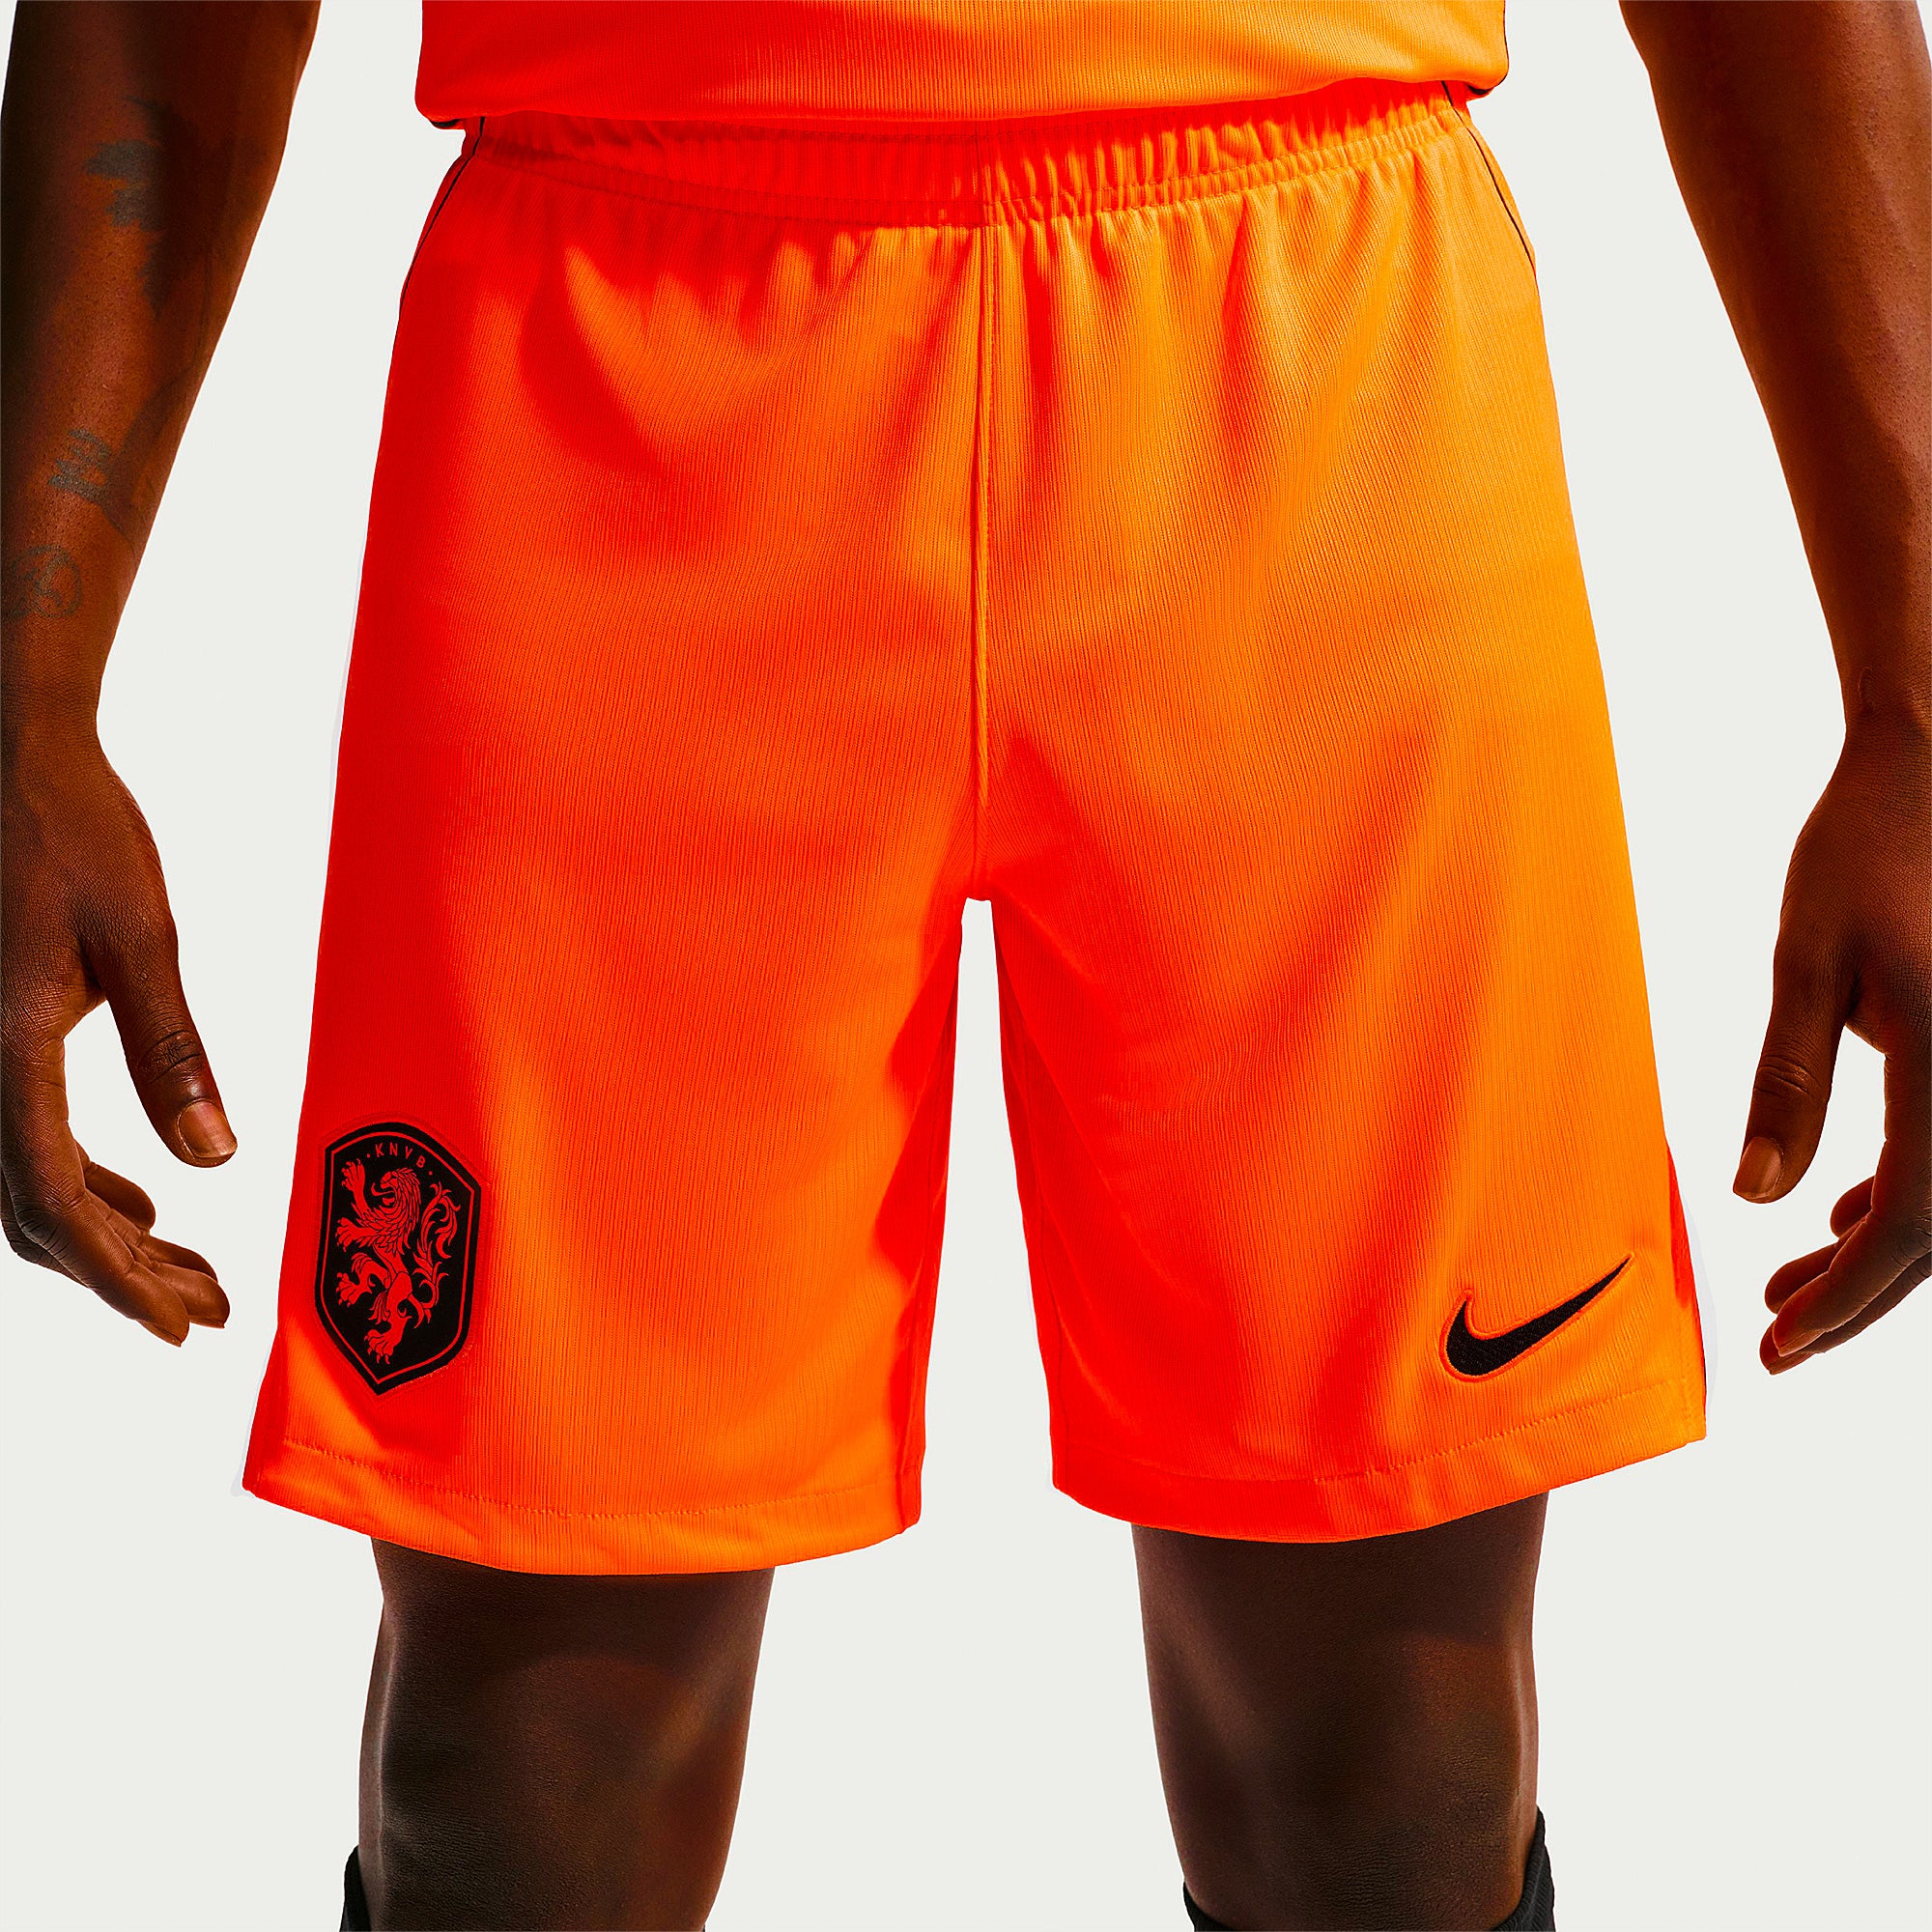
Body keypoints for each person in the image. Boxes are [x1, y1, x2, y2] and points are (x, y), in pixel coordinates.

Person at [2, 3, 1925, 1927]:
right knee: (516, 1784)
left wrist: (1920, 713)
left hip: (1318, 353)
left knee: (1389, 1778)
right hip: (622, 378)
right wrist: (19, 693)